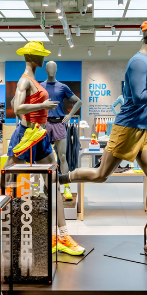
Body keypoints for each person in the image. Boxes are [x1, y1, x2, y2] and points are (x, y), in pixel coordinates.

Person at [59, 19, 147, 261]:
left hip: (143, 131)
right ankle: (63, 178)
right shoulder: (138, 62)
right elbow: (138, 97)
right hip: (126, 129)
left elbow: (139, 98)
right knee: (100, 175)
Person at [5, 41, 85, 256]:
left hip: (39, 135)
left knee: (54, 182)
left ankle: (62, 235)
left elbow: (17, 103)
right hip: (26, 135)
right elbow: (17, 108)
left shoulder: (35, 81)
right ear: (32, 57)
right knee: (8, 182)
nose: (43, 59)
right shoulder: (25, 80)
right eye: (40, 55)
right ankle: (8, 231)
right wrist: (42, 106)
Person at [40, 61, 82, 201]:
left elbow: (78, 101)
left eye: (53, 67)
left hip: (59, 123)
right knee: (43, 157)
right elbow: (35, 105)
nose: (51, 69)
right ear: (46, 69)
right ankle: (45, 185)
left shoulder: (62, 87)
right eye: (49, 67)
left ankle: (66, 187)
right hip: (45, 124)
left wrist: (69, 116)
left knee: (62, 156)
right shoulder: (40, 86)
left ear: (56, 69)